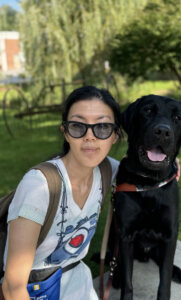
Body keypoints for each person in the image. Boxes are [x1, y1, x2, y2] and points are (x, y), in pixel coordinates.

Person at [2, 86, 121, 300]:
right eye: (78, 126)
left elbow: (146, 173)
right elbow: (13, 287)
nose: (90, 136)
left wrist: (169, 162)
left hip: (78, 285)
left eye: (102, 127)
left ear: (115, 135)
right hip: (35, 290)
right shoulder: (39, 187)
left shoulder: (107, 170)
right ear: (65, 132)